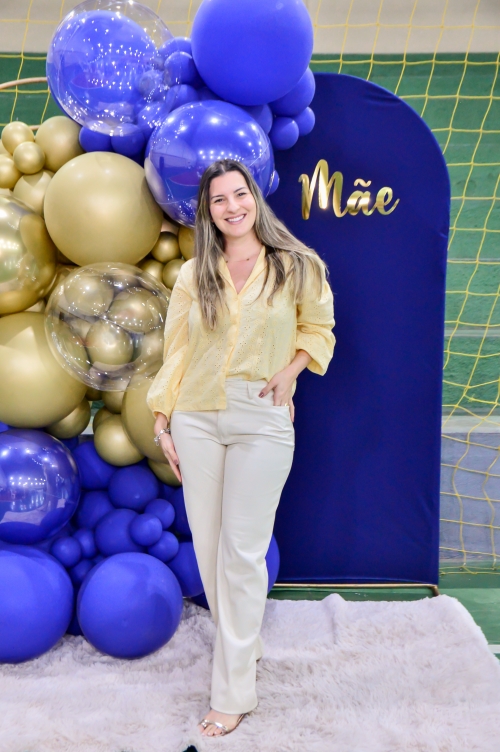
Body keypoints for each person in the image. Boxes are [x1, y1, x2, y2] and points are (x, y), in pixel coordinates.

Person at [146, 158, 335, 737]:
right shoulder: (193, 275)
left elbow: (318, 329)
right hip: (196, 417)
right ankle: (242, 648)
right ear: (208, 212)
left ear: (255, 197)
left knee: (242, 553)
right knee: (209, 552)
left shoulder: (297, 264)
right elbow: (177, 353)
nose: (232, 207)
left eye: (239, 194)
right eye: (219, 200)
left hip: (262, 416)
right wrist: (162, 422)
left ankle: (232, 693)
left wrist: (291, 373)